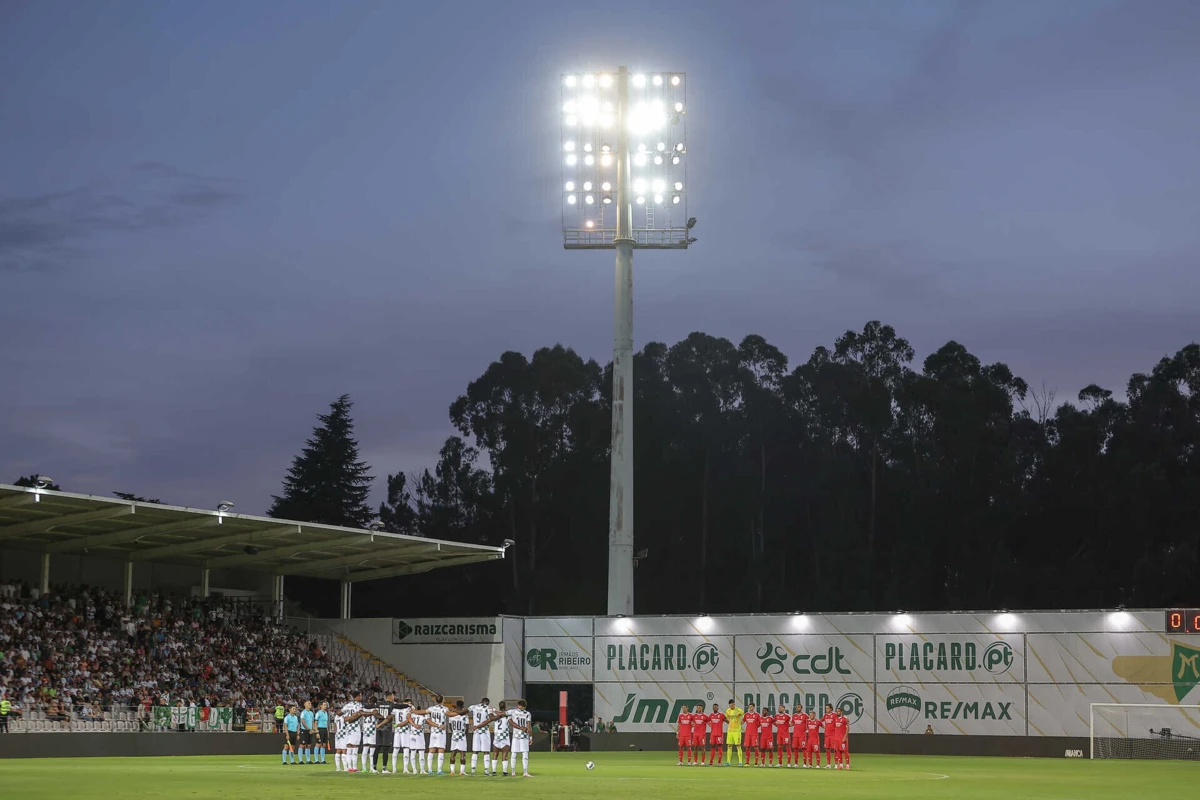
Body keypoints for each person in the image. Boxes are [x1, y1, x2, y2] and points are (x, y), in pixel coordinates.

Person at [468, 697, 494, 776]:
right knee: (486, 751)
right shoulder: (488, 708)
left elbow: (466, 711)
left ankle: (473, 771)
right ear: (487, 703)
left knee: (475, 751)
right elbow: (491, 718)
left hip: (476, 731)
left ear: (481, 701)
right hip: (484, 731)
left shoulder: (474, 707)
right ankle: (486, 771)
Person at [486, 701, 513, 776]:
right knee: (505, 754)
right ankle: (504, 772)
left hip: (497, 736)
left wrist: (492, 710)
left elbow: (491, 718)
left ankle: (494, 771)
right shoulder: (508, 715)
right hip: (504, 736)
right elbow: (511, 722)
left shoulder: (495, 714)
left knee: (495, 754)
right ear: (505, 706)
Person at [508, 699, 534, 777]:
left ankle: (513, 772)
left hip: (515, 735)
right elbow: (529, 726)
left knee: (514, 753)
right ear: (525, 706)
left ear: (518, 705)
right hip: (524, 736)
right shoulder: (527, 713)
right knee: (525, 753)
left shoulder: (513, 711)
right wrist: (530, 737)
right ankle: (525, 772)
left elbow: (510, 721)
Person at [340, 691, 364, 773]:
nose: (361, 697)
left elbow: (343, 716)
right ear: (357, 696)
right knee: (355, 748)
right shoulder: (359, 705)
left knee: (349, 747)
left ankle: (349, 767)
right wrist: (353, 717)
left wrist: (348, 718)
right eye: (360, 696)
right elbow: (359, 715)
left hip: (348, 728)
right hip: (355, 728)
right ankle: (354, 767)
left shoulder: (347, 705)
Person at [447, 700, 470, 775]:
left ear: (456, 705)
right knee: (462, 754)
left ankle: (452, 771)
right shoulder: (465, 716)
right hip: (462, 735)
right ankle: (462, 772)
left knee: (453, 753)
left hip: (454, 735)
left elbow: (450, 727)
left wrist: (454, 732)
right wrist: (464, 735)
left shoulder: (452, 716)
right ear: (463, 706)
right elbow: (467, 728)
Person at [374, 692, 394, 773]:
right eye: (393, 696)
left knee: (377, 747)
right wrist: (385, 718)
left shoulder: (379, 704)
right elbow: (389, 718)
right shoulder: (392, 705)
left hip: (379, 728)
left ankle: (374, 767)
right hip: (386, 728)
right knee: (385, 749)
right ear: (390, 697)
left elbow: (375, 714)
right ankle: (384, 768)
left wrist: (380, 719)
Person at [390, 700, 411, 774]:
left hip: (397, 730)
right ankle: (405, 769)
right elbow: (408, 719)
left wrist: (396, 724)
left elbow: (390, 717)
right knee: (406, 748)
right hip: (405, 730)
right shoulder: (408, 709)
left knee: (396, 749)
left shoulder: (395, 709)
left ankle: (394, 769)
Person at [723, 699, 744, 767]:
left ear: (734, 704)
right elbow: (726, 718)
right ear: (729, 705)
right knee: (729, 745)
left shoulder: (739, 710)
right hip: (730, 731)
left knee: (738, 745)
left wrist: (742, 722)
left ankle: (740, 762)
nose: (731, 705)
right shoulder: (728, 711)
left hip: (737, 731)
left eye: (732, 704)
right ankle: (728, 762)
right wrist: (729, 723)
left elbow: (744, 716)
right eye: (730, 704)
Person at [408, 705, 428, 775]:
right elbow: (428, 721)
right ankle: (422, 770)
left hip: (411, 734)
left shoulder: (412, 715)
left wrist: (413, 725)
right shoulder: (424, 716)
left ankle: (414, 770)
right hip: (419, 735)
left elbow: (408, 719)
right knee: (421, 752)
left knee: (413, 752)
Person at [790, 704, 808, 768]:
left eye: (799, 707)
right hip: (795, 735)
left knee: (803, 749)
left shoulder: (805, 716)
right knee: (795, 749)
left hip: (802, 736)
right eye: (797, 707)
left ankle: (805, 764)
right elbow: (792, 724)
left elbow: (808, 725)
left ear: (801, 708)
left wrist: (804, 730)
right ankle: (796, 763)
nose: (797, 708)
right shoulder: (794, 716)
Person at [743, 702, 760, 767]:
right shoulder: (746, 715)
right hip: (748, 734)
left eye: (751, 706)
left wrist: (756, 726)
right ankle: (747, 762)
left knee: (755, 747)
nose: (750, 708)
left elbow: (760, 722)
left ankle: (756, 762)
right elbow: (742, 721)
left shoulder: (757, 715)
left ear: (754, 707)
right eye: (749, 706)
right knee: (747, 747)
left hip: (754, 734)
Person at [820, 704, 837, 769]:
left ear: (831, 709)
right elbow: (820, 721)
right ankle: (828, 764)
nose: (826, 709)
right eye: (826, 708)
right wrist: (824, 727)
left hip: (833, 735)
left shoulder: (835, 715)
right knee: (827, 749)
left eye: (828, 708)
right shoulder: (826, 715)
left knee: (835, 749)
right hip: (827, 735)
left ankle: (836, 764)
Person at [299, 700, 315, 765]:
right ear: (305, 705)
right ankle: (300, 760)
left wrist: (313, 729)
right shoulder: (303, 712)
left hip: (310, 730)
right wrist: (308, 729)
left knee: (308, 745)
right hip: (304, 730)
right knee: (302, 745)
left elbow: (312, 722)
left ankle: (308, 760)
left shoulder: (311, 713)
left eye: (310, 703)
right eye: (308, 703)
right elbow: (303, 722)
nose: (310, 704)